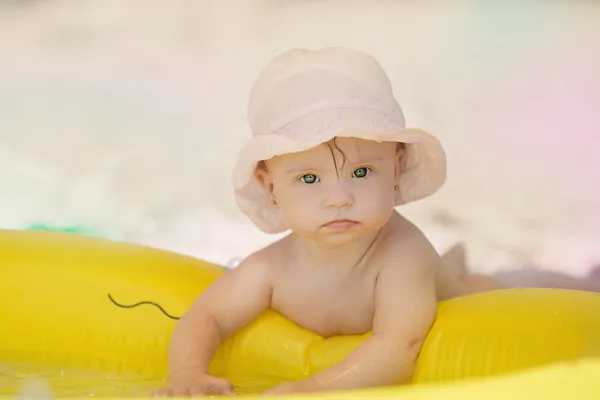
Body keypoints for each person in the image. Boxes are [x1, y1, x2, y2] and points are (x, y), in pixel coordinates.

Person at [152, 47, 476, 397]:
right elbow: (207, 316)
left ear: (395, 169)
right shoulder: (272, 269)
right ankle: (455, 261)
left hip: (473, 304)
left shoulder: (402, 255)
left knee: (480, 284)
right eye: (309, 179)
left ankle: (463, 268)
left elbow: (399, 349)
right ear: (269, 186)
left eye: (362, 171)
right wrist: (186, 374)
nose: (339, 198)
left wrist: (308, 388)